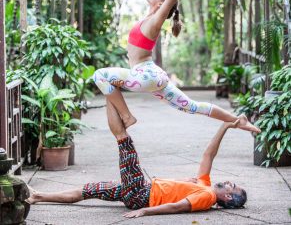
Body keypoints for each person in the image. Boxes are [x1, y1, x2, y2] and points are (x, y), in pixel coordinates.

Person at [92, 0, 260, 134]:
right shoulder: (150, 17)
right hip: (154, 76)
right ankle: (239, 121)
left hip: (144, 75)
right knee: (192, 106)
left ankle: (126, 116)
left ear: (162, 4)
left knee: (100, 75)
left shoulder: (155, 21)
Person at [26, 102, 247, 218]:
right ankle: (38, 196)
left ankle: (108, 94)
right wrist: (226, 125)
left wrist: (144, 211)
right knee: (89, 190)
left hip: (141, 195)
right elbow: (209, 154)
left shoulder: (207, 197)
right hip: (139, 190)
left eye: (232, 186)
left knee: (124, 142)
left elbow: (176, 208)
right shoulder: (205, 185)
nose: (229, 182)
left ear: (228, 196)